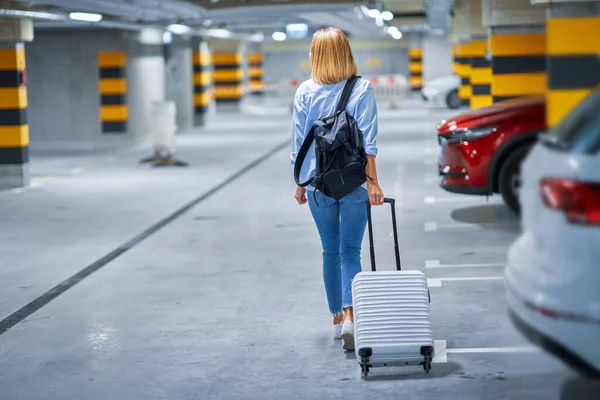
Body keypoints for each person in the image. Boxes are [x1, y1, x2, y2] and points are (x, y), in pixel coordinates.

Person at [290, 27, 384, 351]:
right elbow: (368, 142)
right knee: (350, 252)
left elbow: (299, 141)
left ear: (315, 55)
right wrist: (374, 182)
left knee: (329, 251)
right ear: (346, 52)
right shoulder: (362, 88)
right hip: (355, 181)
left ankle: (335, 320)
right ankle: (351, 316)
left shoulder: (304, 91)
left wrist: (299, 184)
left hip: (318, 184)